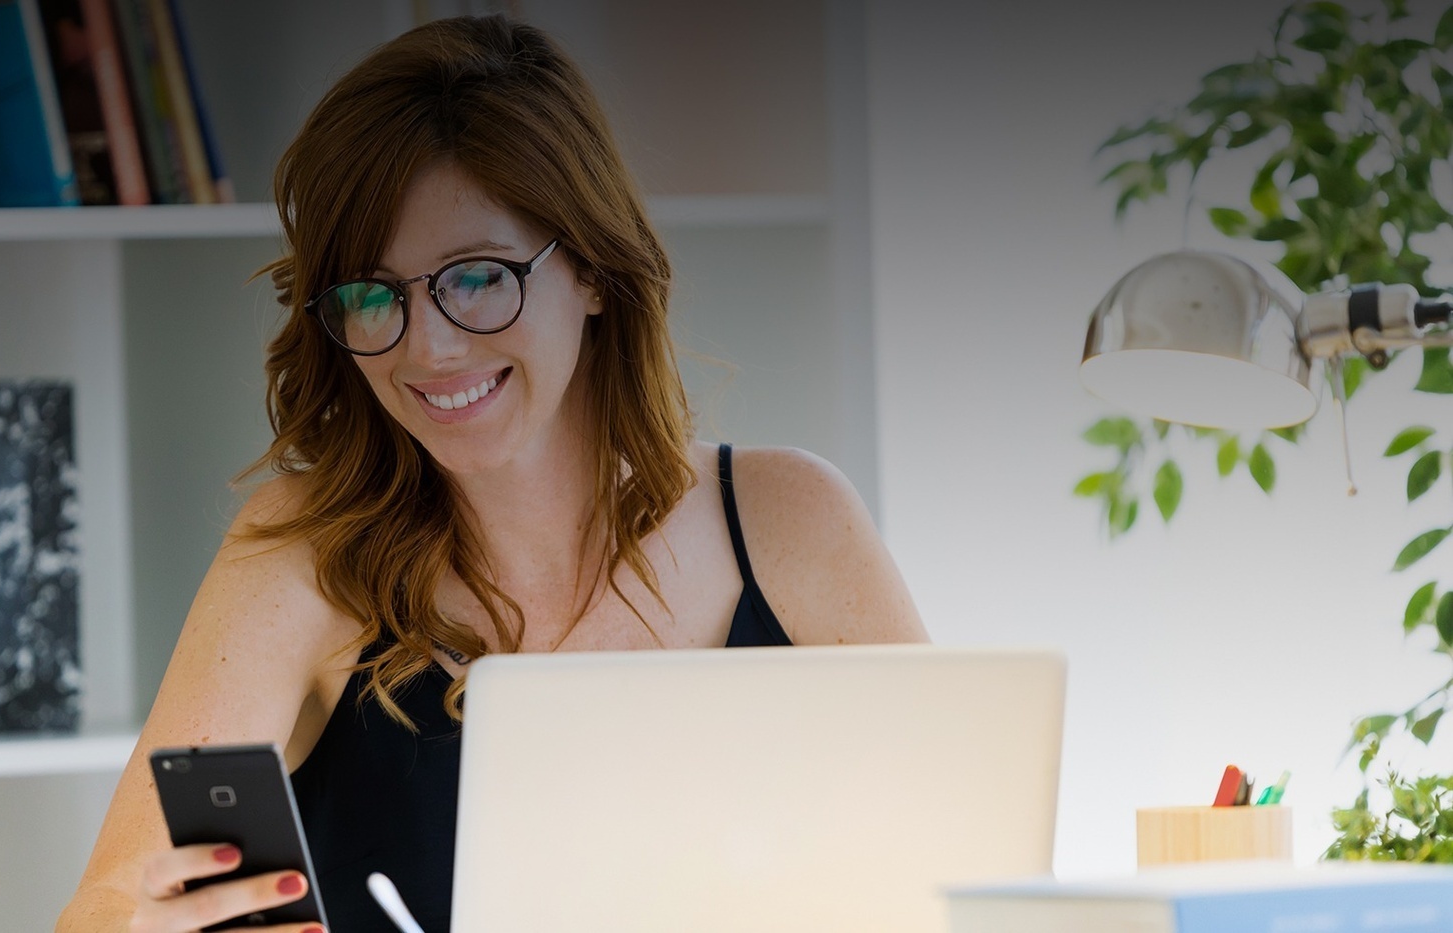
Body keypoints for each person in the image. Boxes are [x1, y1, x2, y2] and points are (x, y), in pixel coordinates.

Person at [57, 14, 927, 933]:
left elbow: (962, 875)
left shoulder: (792, 521)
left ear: (592, 269)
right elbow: (107, 907)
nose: (427, 347)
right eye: (371, 295)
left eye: (475, 277)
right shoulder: (304, 554)